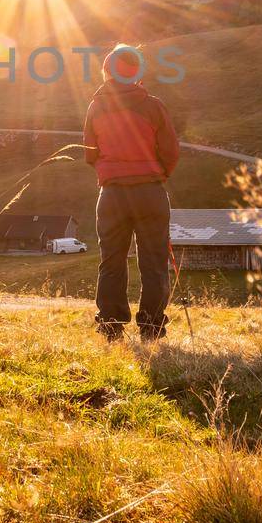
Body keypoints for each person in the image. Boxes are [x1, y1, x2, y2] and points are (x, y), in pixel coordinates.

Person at [83, 43, 180, 342]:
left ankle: (111, 326)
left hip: (112, 194)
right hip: (150, 191)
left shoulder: (96, 105)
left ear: (108, 70)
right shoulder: (153, 105)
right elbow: (171, 151)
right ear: (138, 71)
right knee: (153, 261)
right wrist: (158, 174)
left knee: (111, 259)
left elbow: (90, 153)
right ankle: (151, 327)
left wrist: (109, 171)